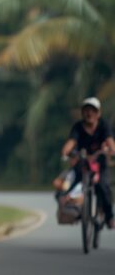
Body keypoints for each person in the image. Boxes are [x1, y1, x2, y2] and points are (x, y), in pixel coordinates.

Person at [60, 97, 115, 229]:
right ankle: (78, 213)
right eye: (86, 110)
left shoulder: (104, 125)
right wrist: (65, 152)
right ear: (82, 112)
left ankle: (109, 217)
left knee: (103, 187)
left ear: (98, 113)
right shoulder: (78, 127)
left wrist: (111, 150)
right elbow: (71, 142)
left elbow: (110, 141)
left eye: (93, 110)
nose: (89, 113)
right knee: (70, 188)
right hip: (83, 164)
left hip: (100, 165)